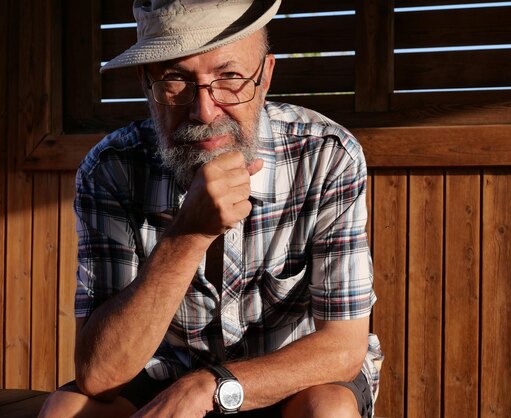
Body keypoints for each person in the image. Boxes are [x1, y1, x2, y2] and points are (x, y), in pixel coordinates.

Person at [39, 0, 382, 417]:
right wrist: (189, 233)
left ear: (266, 75)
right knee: (66, 409)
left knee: (328, 408)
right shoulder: (111, 169)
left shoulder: (328, 156)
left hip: (289, 381)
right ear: (145, 83)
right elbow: (99, 373)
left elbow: (343, 348)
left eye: (230, 77)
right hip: (164, 378)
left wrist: (209, 387)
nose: (204, 110)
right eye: (176, 80)